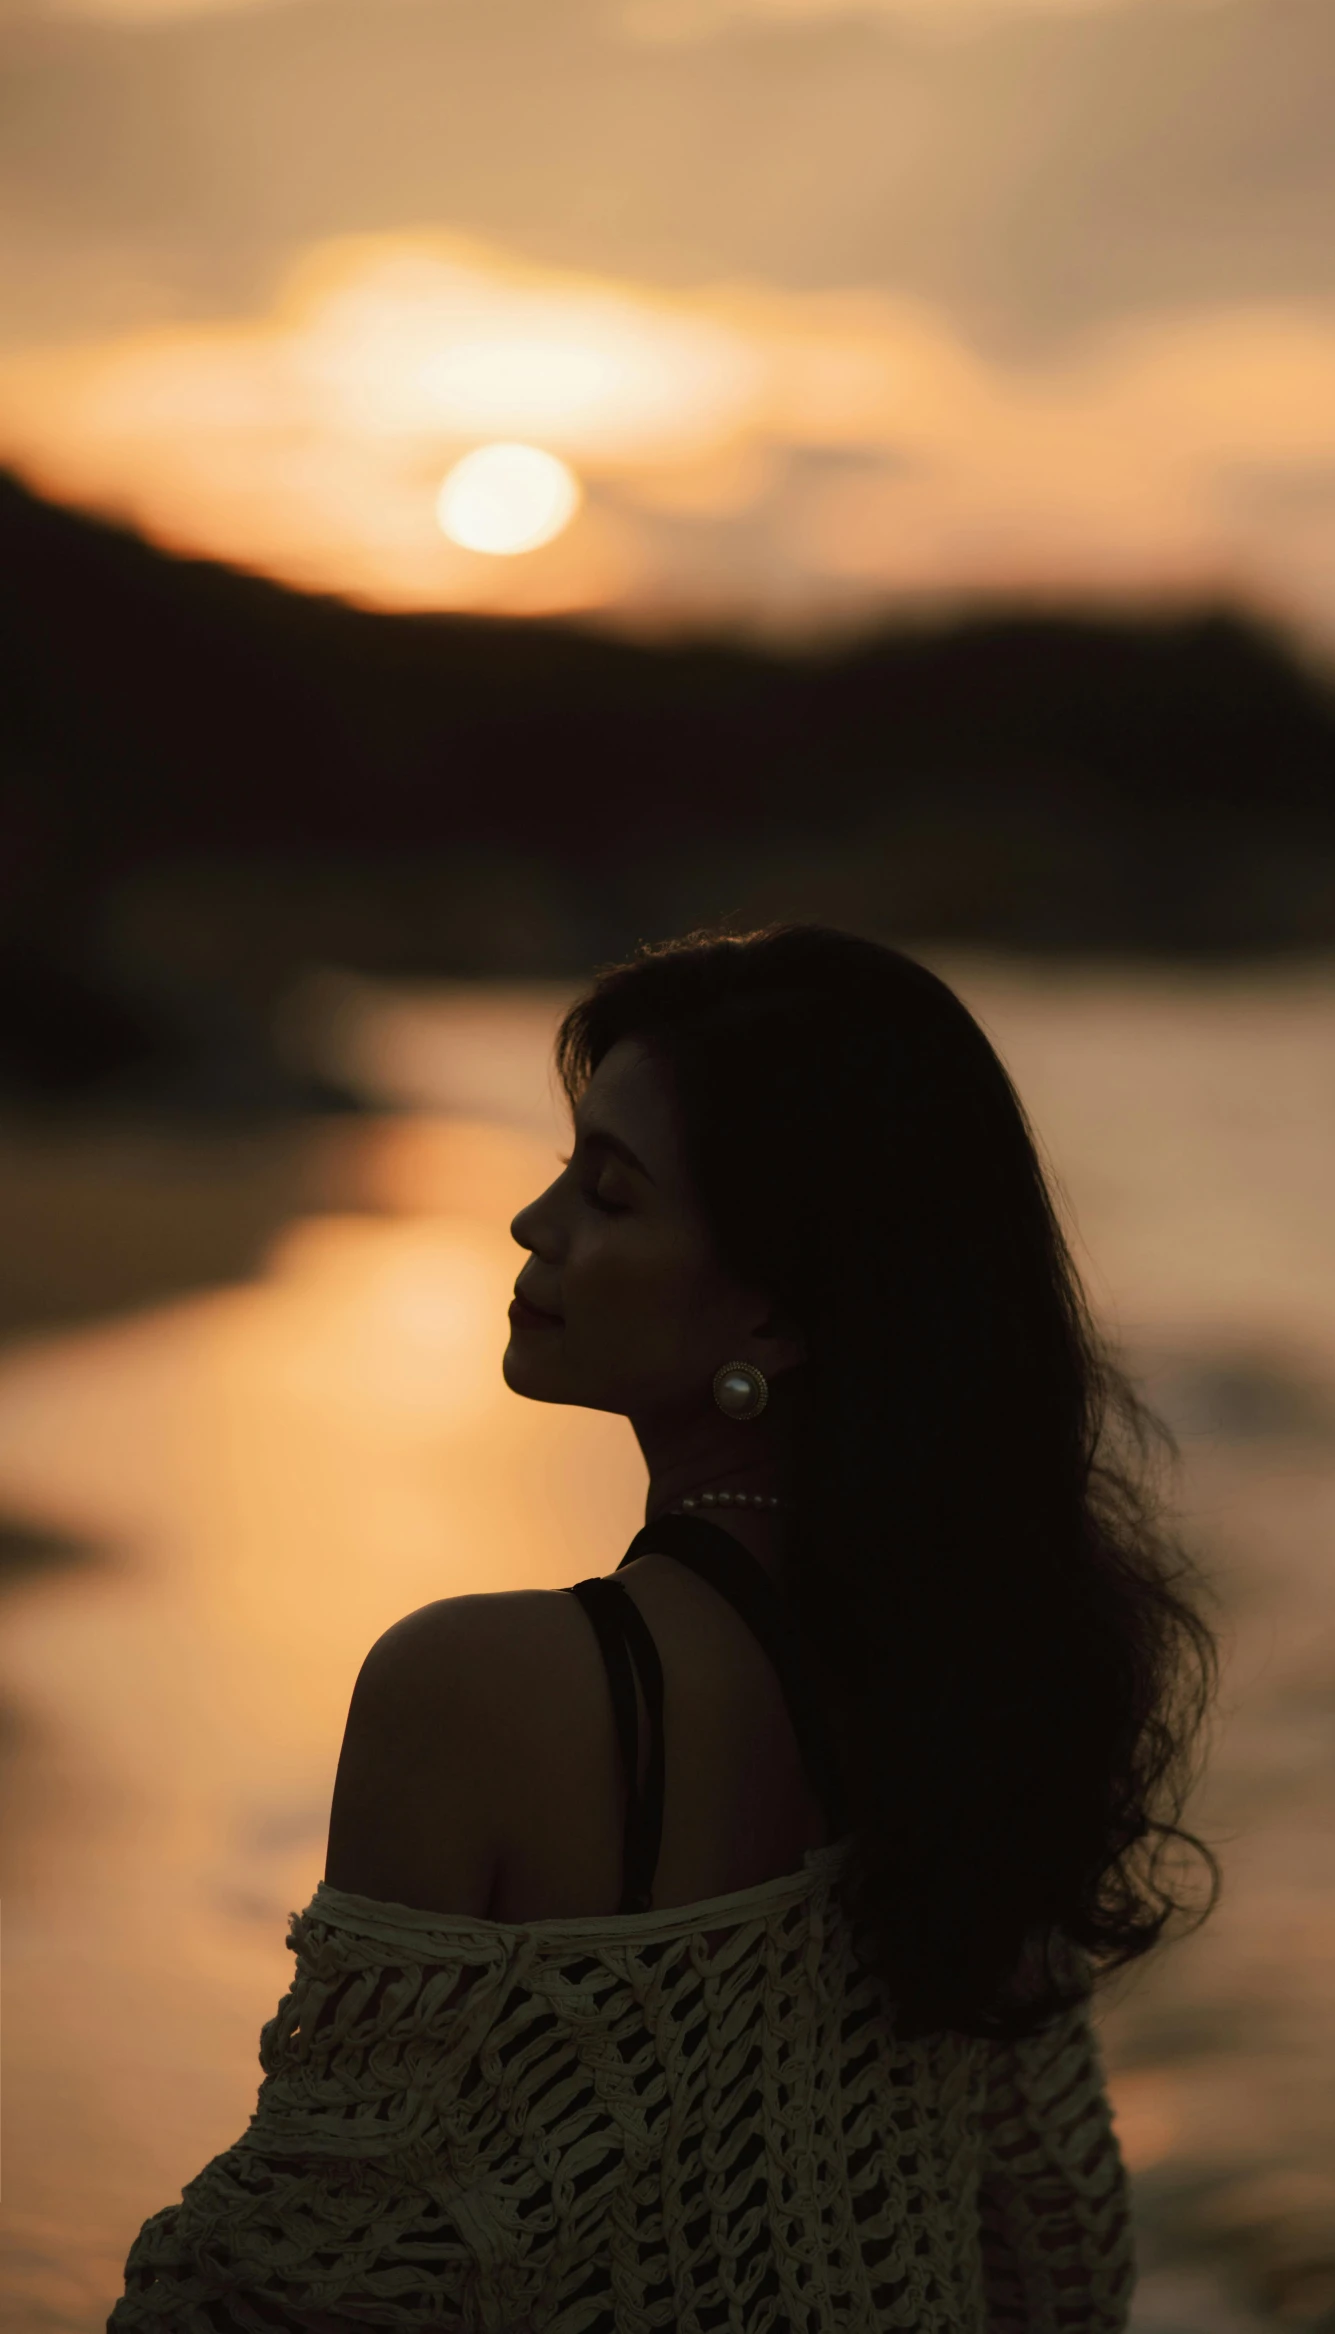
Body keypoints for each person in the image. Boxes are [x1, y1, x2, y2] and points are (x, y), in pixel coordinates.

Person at [110, 922, 1218, 2332]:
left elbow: (287, 2287)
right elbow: (1058, 2263)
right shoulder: (985, 1703)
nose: (536, 1223)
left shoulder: (478, 1692)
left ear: (778, 1305)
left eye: (610, 1192)